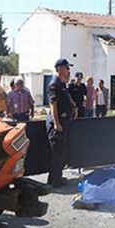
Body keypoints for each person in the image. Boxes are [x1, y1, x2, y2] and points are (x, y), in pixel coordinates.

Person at [47, 58, 77, 187]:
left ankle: (57, 177)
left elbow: (66, 96)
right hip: (58, 123)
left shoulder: (61, 83)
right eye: (66, 67)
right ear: (59, 68)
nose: (68, 70)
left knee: (62, 151)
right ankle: (54, 180)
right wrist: (56, 123)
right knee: (57, 152)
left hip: (64, 121)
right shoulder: (54, 84)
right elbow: (53, 104)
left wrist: (74, 107)